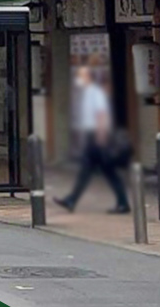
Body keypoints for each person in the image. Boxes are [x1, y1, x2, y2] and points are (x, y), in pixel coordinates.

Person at [55, 60, 130, 214]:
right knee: (102, 171)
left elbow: (101, 114)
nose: (79, 79)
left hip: (97, 135)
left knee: (95, 170)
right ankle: (121, 203)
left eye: (81, 76)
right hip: (93, 135)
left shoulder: (95, 92)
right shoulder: (89, 92)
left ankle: (72, 199)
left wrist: (100, 137)